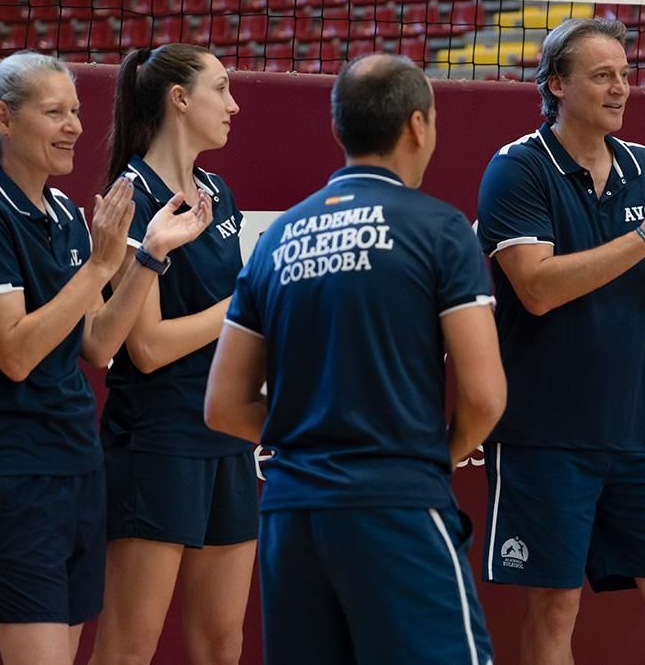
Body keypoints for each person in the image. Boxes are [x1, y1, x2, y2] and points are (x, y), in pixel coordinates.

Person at [204, 53, 504, 665]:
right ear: (417, 125)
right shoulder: (441, 230)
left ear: (340, 128)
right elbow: (483, 396)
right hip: (395, 503)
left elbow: (223, 405)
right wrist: (424, 461)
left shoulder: (278, 238)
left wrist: (315, 444)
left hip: (292, 514)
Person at [476, 19, 645, 665]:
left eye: (624, 74)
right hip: (544, 434)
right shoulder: (517, 168)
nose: (621, 88)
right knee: (554, 608)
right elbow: (537, 288)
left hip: (637, 436)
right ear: (557, 85)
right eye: (602, 76)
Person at [0, 52, 210, 665]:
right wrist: (100, 266)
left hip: (79, 465)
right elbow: (15, 354)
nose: (75, 127)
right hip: (13, 473)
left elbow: (99, 344)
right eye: (55, 112)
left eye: (77, 111)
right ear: (4, 119)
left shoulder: (64, 213)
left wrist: (149, 258)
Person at [89, 44, 255, 665]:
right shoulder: (130, 196)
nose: (234, 105)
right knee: (129, 648)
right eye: (222, 88)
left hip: (226, 433)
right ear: (179, 99)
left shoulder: (217, 191)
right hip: (159, 439)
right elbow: (148, 347)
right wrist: (248, 302)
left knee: (221, 643)